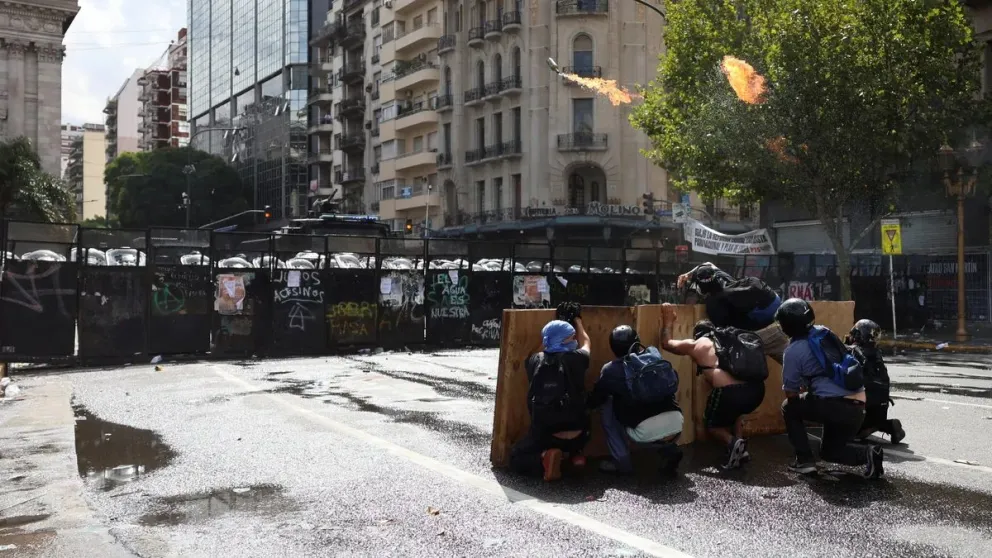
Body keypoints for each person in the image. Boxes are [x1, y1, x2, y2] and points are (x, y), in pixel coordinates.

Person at [775, 298, 884, 479]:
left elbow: (791, 392)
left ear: (789, 326)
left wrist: (807, 388)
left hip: (833, 406)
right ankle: (870, 453)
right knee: (830, 452)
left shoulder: (793, 351)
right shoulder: (823, 332)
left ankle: (804, 461)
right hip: (858, 406)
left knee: (789, 406)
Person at [658, 304, 766, 469]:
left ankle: (732, 442)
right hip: (757, 390)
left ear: (698, 334)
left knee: (713, 425)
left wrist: (668, 319)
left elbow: (667, 343)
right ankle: (740, 448)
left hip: (731, 393)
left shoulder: (699, 344)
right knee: (735, 412)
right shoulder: (730, 339)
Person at [587, 324, 684, 475]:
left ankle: (621, 463)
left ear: (613, 348)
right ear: (637, 342)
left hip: (644, 433)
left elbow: (596, 399)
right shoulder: (653, 356)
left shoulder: (610, 370)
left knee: (607, 405)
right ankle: (669, 449)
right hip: (677, 422)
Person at [509, 316, 591, 481]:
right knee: (580, 408)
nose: (574, 340)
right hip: (581, 434)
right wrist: (579, 322)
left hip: (546, 435)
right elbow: (587, 343)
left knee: (515, 457)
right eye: (571, 337)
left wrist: (551, 329)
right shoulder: (578, 358)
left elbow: (536, 350)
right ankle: (576, 455)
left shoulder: (535, 361)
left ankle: (545, 457)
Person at [677, 262, 788, 362]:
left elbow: (724, 333)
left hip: (763, 330)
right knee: (796, 365)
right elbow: (708, 264)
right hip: (777, 311)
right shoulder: (722, 277)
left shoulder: (714, 305)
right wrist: (688, 274)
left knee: (731, 366)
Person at [846, 319, 905, 444]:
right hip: (881, 409)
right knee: (873, 421)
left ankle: (863, 428)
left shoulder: (853, 352)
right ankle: (887, 425)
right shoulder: (876, 354)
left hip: (862, 410)